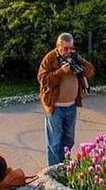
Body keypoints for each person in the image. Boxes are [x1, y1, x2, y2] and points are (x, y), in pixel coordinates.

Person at [38, 32, 95, 166]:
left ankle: (64, 166)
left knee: (69, 140)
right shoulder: (50, 58)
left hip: (71, 106)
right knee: (55, 142)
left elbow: (91, 70)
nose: (69, 51)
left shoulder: (74, 56)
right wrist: (60, 72)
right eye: (65, 48)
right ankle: (54, 170)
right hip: (55, 107)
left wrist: (79, 65)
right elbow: (43, 80)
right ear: (58, 46)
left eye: (71, 48)